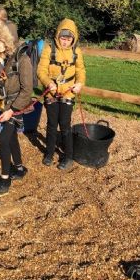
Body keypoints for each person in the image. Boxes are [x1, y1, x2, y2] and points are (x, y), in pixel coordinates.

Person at [0, 19, 33, 198]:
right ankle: (19, 169)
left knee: (3, 139)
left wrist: (11, 110)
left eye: (0, 40)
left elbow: (27, 91)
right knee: (11, 136)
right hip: (2, 104)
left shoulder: (23, 60)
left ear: (9, 40)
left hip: (16, 105)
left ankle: (5, 181)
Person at [37, 18, 86, 170]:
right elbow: (41, 70)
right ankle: (49, 153)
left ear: (73, 39)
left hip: (68, 92)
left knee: (65, 124)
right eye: (63, 38)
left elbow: (80, 70)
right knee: (52, 124)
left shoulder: (76, 51)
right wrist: (48, 83)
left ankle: (68, 156)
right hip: (51, 92)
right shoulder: (49, 49)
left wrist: (79, 83)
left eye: (68, 39)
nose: (65, 42)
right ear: (58, 36)